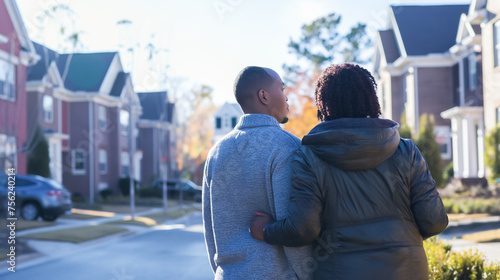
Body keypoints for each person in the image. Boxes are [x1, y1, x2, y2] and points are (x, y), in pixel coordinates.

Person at [250, 63, 448, 280]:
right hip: (407, 270)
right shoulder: (406, 150)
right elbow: (435, 220)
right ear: (371, 98)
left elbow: (303, 229)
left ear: (323, 104)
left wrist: (266, 230)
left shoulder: (309, 156)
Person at [203, 66, 313, 279]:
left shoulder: (216, 152)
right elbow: (294, 228)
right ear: (264, 96)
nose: (287, 97)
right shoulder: (288, 147)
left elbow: (210, 231)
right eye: (281, 89)